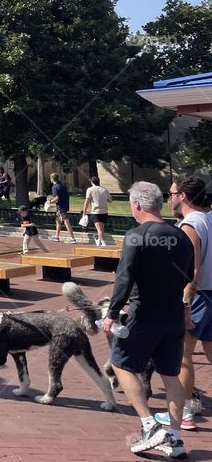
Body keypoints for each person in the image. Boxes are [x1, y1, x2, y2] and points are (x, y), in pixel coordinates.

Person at [104, 181, 193, 458]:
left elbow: (124, 278)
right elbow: (188, 275)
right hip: (173, 313)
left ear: (137, 205)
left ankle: (148, 423)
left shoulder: (136, 236)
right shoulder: (181, 236)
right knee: (170, 375)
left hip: (143, 312)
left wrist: (111, 313)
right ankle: (175, 440)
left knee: (121, 363)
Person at [154, 174, 212, 432]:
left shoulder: (189, 225)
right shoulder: (210, 219)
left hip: (197, 296)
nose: (169, 198)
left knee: (183, 357)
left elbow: (191, 271)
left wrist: (185, 303)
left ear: (183, 197)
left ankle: (184, 413)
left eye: (172, 193)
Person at [83, 176, 111, 246]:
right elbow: (110, 200)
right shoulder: (104, 190)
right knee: (101, 228)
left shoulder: (90, 189)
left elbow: (87, 201)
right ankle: (99, 240)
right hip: (104, 211)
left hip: (96, 211)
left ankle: (103, 242)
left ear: (92, 182)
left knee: (99, 228)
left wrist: (84, 211)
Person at [49, 173, 77, 243]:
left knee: (66, 221)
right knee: (58, 221)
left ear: (52, 179)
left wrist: (50, 202)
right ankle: (56, 236)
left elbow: (56, 198)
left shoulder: (54, 187)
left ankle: (72, 238)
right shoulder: (62, 186)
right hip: (65, 204)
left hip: (60, 206)